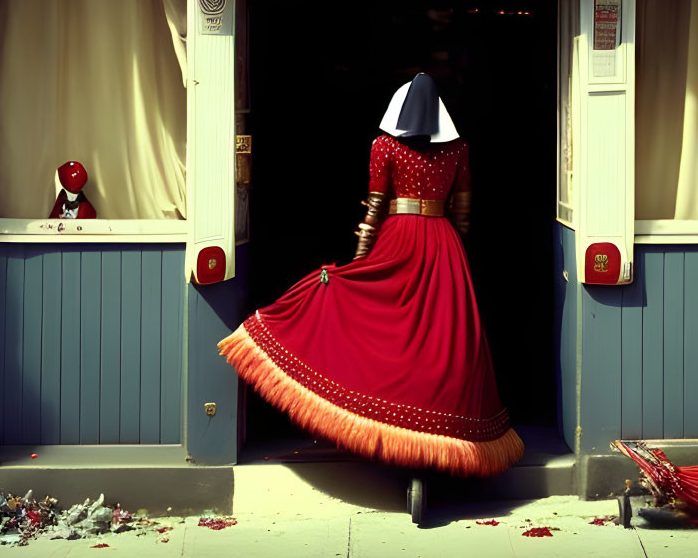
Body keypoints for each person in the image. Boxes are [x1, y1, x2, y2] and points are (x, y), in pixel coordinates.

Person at [218, 73, 524, 477]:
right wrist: (453, 254)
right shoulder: (458, 149)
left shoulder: (384, 145)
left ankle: (392, 429)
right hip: (444, 244)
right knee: (443, 340)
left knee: (391, 331)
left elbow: (374, 210)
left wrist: (359, 263)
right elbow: (463, 214)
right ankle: (434, 437)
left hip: (398, 240)